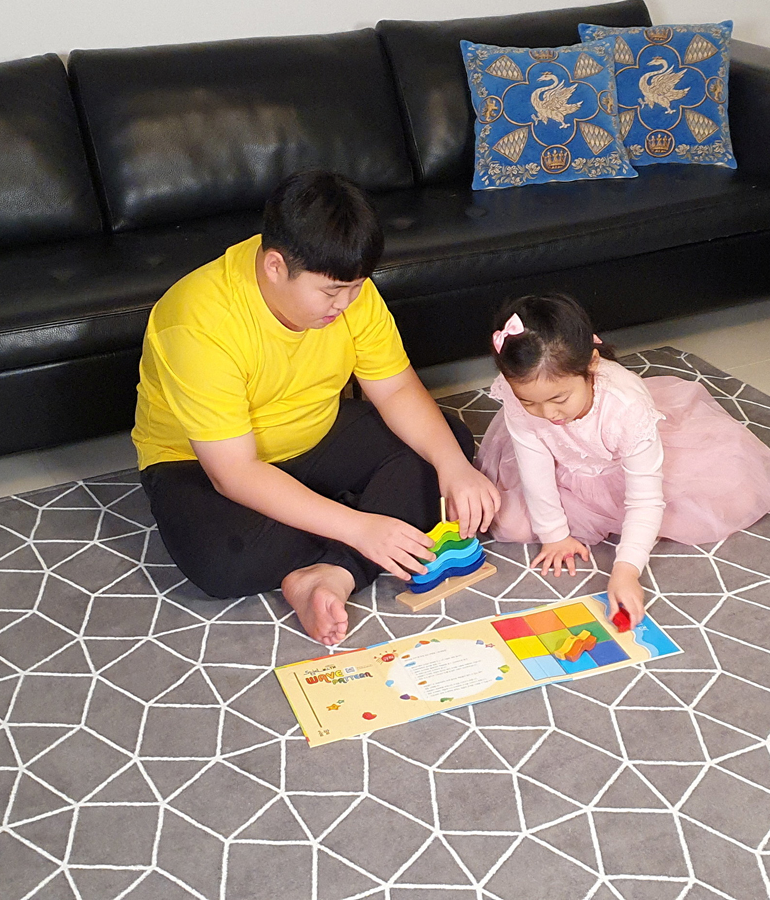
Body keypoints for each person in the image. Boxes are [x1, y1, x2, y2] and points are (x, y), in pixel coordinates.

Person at [133, 171, 500, 645]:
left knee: (448, 447)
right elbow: (235, 473)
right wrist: (360, 526)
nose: (345, 304)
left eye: (355, 288)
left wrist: (453, 466)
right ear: (274, 267)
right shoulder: (197, 321)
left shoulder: (348, 288)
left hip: (316, 433)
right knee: (222, 562)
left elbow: (395, 391)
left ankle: (332, 574)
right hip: (200, 464)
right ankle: (360, 527)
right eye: (330, 293)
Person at [476, 294, 770, 626]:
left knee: (730, 497)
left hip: (625, 469)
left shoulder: (626, 408)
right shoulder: (522, 399)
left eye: (559, 398)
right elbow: (534, 466)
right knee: (506, 520)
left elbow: (644, 498)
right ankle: (595, 521)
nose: (548, 414)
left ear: (592, 365)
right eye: (531, 402)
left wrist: (626, 570)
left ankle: (631, 531)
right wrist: (554, 534)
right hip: (565, 470)